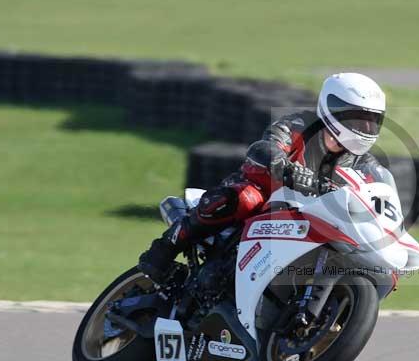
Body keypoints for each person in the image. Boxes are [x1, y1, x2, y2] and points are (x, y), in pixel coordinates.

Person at [137, 72, 387, 284]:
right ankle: (166, 246)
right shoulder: (299, 125)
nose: (365, 129)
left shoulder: (365, 163)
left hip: (314, 217)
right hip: (268, 197)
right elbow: (266, 147)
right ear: (333, 110)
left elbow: (379, 194)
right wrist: (287, 168)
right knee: (245, 198)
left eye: (372, 122)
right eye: (357, 119)